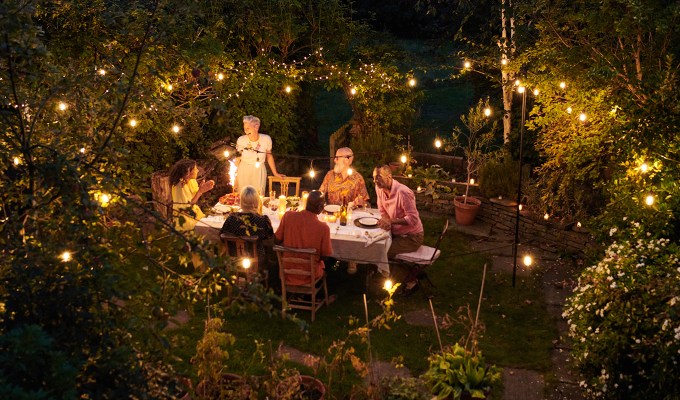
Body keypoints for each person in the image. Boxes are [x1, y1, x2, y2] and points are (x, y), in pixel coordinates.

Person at [373, 165, 424, 293]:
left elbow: (413, 219)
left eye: (378, 178)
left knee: (382, 251)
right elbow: (382, 209)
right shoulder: (379, 188)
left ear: (389, 177)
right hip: (395, 232)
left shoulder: (403, 192)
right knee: (374, 244)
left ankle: (412, 278)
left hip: (412, 237)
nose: (375, 181)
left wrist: (391, 221)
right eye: (374, 178)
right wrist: (385, 220)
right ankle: (385, 273)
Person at [275, 190, 333, 286]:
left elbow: (276, 240)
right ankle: (318, 294)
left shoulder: (288, 216)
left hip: (287, 272)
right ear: (321, 207)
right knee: (332, 262)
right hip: (310, 276)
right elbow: (325, 256)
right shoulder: (323, 228)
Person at [220, 185, 274, 267]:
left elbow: (222, 237)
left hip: (234, 260)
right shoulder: (262, 221)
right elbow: (269, 239)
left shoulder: (232, 218)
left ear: (241, 201)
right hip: (257, 261)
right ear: (257, 202)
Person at [235, 115, 284, 195]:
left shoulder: (266, 139)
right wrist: (236, 177)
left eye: (248, 129)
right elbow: (238, 158)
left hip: (259, 171)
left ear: (256, 127)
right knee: (243, 195)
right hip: (243, 170)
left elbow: (269, 156)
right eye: (244, 129)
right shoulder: (241, 140)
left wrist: (275, 173)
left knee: (258, 196)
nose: (245, 131)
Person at [170, 159, 215, 231]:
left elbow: (194, 196)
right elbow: (188, 205)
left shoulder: (191, 181)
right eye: (195, 168)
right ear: (188, 171)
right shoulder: (180, 186)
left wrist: (203, 188)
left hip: (194, 213)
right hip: (184, 218)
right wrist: (200, 191)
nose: (197, 170)